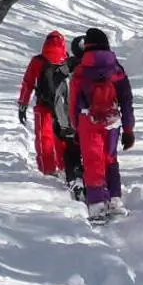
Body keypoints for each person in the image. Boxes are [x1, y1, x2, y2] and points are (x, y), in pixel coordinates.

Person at [69, 28, 135, 223]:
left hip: (87, 120)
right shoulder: (116, 69)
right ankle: (115, 200)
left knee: (92, 161)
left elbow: (73, 102)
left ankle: (97, 204)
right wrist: (129, 129)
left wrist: (75, 127)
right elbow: (126, 100)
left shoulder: (81, 70)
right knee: (110, 159)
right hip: (112, 120)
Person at [17, 31, 70, 176]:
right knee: (62, 138)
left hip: (42, 105)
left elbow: (28, 83)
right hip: (63, 107)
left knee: (44, 138)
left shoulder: (38, 61)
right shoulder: (67, 60)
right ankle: (66, 168)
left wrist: (23, 104)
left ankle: (47, 170)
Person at [54, 35, 86, 201]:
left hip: (71, 123)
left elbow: (59, 100)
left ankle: (73, 179)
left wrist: (63, 123)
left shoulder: (66, 72)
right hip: (93, 121)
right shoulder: (98, 69)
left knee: (71, 152)